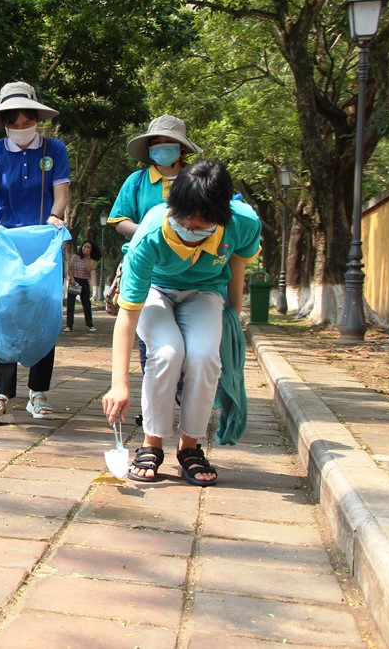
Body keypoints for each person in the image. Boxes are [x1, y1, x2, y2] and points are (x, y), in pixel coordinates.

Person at [102, 160, 261, 486]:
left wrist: (233, 314)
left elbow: (238, 264)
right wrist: (119, 383)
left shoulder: (243, 223)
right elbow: (128, 315)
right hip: (156, 289)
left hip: (205, 291)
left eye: (202, 224)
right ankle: (152, 443)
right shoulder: (149, 234)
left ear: (222, 217)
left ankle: (190, 447)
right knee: (167, 352)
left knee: (204, 357)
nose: (190, 229)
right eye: (183, 221)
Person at [0, 82, 69, 423]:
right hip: (6, 244)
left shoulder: (55, 150)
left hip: (44, 243)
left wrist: (56, 217)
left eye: (27, 119)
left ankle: (38, 393)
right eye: (13, 121)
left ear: (37, 118)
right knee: (4, 311)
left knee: (44, 310)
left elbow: (60, 193)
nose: (21, 126)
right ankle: (2, 394)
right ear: (4, 122)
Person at [108, 115, 203, 425]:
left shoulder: (195, 180)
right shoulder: (135, 182)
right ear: (149, 148)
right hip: (145, 265)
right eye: (157, 143)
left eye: (169, 144)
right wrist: (149, 230)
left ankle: (180, 391)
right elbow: (119, 220)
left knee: (188, 340)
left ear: (182, 148)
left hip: (191, 269)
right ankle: (154, 402)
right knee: (151, 343)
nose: (163, 148)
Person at [66, 239, 97, 333]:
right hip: (74, 281)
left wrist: (87, 257)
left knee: (86, 304)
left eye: (88, 247)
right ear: (81, 247)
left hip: (84, 282)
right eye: (84, 246)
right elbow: (69, 269)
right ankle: (69, 325)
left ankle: (89, 324)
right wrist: (72, 279)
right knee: (71, 304)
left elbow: (88, 270)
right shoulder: (75, 257)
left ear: (91, 249)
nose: (86, 249)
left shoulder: (91, 260)